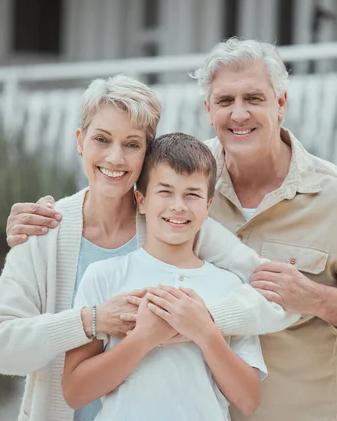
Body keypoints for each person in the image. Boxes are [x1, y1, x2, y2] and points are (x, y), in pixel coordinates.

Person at [6, 38, 337, 421]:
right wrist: (47, 220)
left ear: (281, 103)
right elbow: (115, 184)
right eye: (225, 100)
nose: (239, 113)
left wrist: (317, 298)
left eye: (253, 98)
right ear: (208, 108)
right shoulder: (187, 177)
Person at [0, 75, 286, 421]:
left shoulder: (179, 226)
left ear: (147, 153)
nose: (114, 157)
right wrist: (92, 320)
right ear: (80, 141)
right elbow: (0, 350)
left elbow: (277, 295)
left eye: (131, 144)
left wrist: (201, 323)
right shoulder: (43, 231)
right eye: (101, 139)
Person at [63, 132, 266, 420]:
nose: (178, 206)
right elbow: (75, 392)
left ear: (207, 208)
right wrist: (143, 339)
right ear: (141, 201)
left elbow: (248, 400)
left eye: (192, 194)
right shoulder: (104, 277)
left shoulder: (231, 286)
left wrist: (205, 332)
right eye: (165, 191)